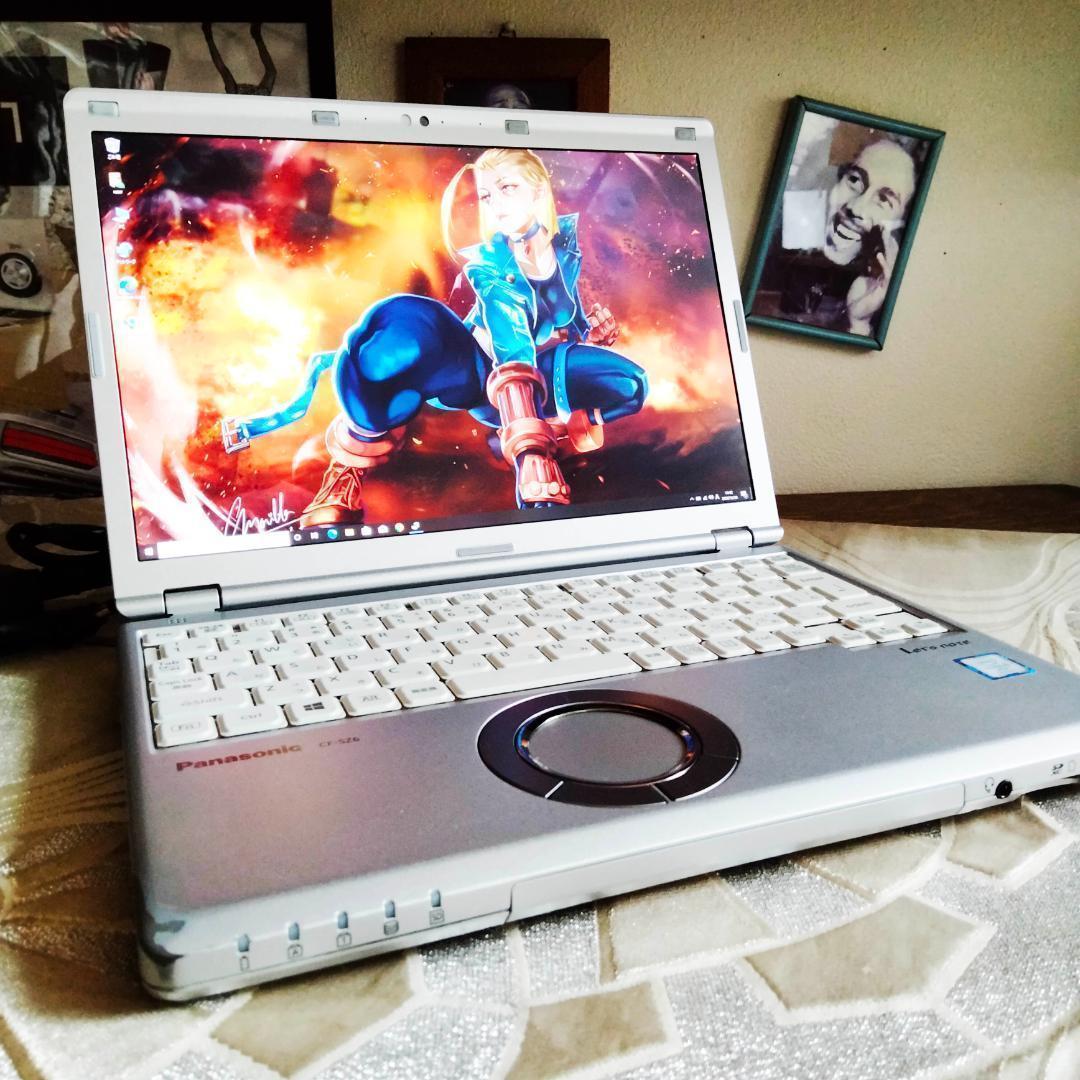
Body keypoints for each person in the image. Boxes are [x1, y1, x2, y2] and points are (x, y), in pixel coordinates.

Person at [221, 148, 648, 524]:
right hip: (477, 372)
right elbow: (510, 336)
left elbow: (563, 319)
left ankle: (554, 429)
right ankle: (346, 471)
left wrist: (592, 332)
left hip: (542, 374)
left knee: (632, 386)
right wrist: (530, 453)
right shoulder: (489, 263)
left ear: (538, 192)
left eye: (506, 188)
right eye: (487, 195)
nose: (495, 204)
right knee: (399, 331)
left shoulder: (564, 249)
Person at [759, 136, 918, 336]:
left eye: (884, 200)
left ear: (897, 227)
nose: (856, 208)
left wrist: (858, 323)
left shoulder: (893, 304)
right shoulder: (778, 240)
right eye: (854, 181)